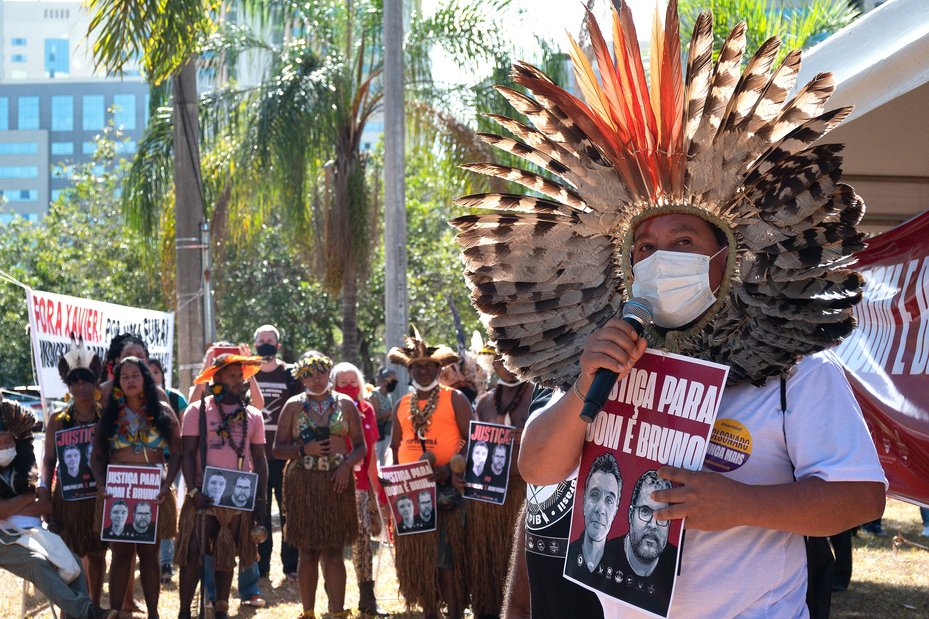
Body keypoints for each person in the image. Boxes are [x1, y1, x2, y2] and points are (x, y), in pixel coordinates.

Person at [455, 5, 887, 617]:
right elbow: (538, 466)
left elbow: (862, 498)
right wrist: (584, 388)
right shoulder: (610, 359)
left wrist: (740, 505)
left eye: (683, 243)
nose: (659, 259)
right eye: (645, 248)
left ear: (726, 259)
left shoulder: (799, 376)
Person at [0, 398, 117, 619]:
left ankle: (79, 613)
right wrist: (26, 498)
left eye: (8, 441)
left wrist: (9, 508)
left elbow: (45, 505)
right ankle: (88, 613)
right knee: (36, 563)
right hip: (3, 540)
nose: (5, 447)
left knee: (72, 561)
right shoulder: (28, 488)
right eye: (0, 443)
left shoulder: (28, 472)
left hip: (35, 534)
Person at [273, 352, 365, 619]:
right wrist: (304, 449)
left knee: (335, 550)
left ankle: (337, 612)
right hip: (304, 483)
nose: (316, 379)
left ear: (329, 373)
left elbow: (360, 446)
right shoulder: (292, 406)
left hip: (338, 481)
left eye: (321, 373)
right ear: (301, 377)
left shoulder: (346, 404)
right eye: (309, 375)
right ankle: (308, 612)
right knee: (307, 550)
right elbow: (277, 449)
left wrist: (346, 466)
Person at [175, 353, 268, 619]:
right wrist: (193, 493)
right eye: (232, 376)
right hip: (201, 496)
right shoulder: (198, 411)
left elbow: (260, 461)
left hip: (236, 498)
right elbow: (187, 454)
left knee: (226, 554)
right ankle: (184, 611)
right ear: (217, 379)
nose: (240, 381)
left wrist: (259, 502)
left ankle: (221, 607)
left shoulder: (253, 415)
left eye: (241, 376)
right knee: (193, 554)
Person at [388, 335, 473, 619]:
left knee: (447, 560)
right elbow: (394, 446)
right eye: (417, 367)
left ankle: (456, 613)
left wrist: (449, 469)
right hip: (409, 492)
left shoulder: (455, 398)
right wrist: (393, 477)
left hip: (446, 488)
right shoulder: (402, 404)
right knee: (421, 558)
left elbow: (473, 439)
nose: (423, 371)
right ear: (409, 370)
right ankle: (429, 613)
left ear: (439, 369)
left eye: (429, 366)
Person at [91, 357, 180, 619]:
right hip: (118, 491)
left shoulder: (162, 410)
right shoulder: (110, 412)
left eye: (135, 375)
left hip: (152, 491)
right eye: (124, 376)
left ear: (146, 379)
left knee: (149, 555)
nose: (130, 380)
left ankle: (153, 613)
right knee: (120, 553)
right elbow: (96, 455)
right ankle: (116, 611)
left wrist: (167, 483)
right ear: (118, 383)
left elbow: (177, 451)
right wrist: (101, 483)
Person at [467, 354, 533, 619]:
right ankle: (488, 609)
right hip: (488, 496)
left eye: (510, 360)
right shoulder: (484, 402)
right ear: (491, 366)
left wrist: (527, 434)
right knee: (489, 556)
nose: (506, 367)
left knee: (517, 561)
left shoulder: (535, 394)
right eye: (499, 362)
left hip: (523, 491)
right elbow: (473, 447)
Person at [42, 340, 107, 605]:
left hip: (97, 497)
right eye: (74, 383)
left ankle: (94, 601)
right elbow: (48, 460)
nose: (80, 387)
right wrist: (44, 492)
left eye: (86, 382)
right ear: (68, 387)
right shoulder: (58, 420)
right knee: (68, 553)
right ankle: (74, 604)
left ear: (95, 385)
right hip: (67, 499)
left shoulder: (105, 418)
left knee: (97, 552)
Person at [332, 361, 387, 616]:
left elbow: (372, 454)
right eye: (342, 383)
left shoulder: (367, 409)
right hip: (331, 486)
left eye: (353, 382)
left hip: (361, 487)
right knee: (331, 543)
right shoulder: (327, 410)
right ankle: (335, 602)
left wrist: (379, 493)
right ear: (334, 385)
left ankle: (367, 598)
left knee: (363, 541)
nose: (349, 387)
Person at [252, 324, 300, 582]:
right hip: (257, 455)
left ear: (278, 345)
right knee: (260, 512)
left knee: (288, 511)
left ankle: (291, 566)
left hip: (285, 456)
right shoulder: (248, 373)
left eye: (270, 340)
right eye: (262, 340)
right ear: (255, 344)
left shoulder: (291, 374)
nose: (266, 343)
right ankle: (261, 567)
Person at [613, 471, 676, 615]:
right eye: (645, 511)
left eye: (664, 514)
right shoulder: (603, 554)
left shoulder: (676, 563)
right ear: (630, 515)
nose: (653, 524)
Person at [564, 454, 624, 590]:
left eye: (609, 500)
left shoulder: (622, 567)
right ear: (584, 501)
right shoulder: (566, 554)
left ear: (615, 511)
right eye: (595, 495)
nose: (600, 509)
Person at [368, 368, 398, 464]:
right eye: (393, 381)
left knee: (386, 456)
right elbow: (375, 416)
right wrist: (392, 412)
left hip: (388, 431)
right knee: (379, 455)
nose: (394, 384)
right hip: (378, 431)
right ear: (385, 381)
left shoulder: (388, 396)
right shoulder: (374, 395)